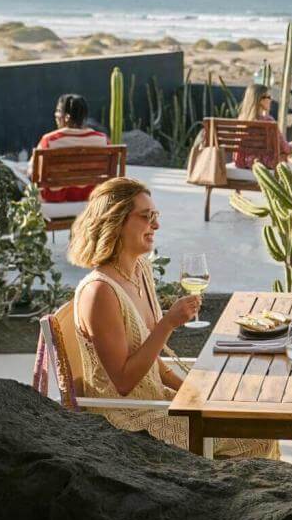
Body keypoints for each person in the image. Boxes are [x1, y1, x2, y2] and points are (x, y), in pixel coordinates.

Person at [67, 176, 278, 460]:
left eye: (156, 215)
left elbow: (156, 366)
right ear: (116, 222)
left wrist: (199, 394)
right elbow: (124, 382)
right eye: (146, 216)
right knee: (257, 435)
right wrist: (168, 324)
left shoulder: (140, 271)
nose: (156, 225)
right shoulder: (100, 292)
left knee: (254, 416)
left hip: (158, 402)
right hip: (129, 421)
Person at [33, 93, 109, 203]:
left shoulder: (50, 140)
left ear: (67, 117)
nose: (55, 115)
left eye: (58, 111)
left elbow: (36, 173)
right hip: (92, 195)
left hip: (55, 197)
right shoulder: (102, 140)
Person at [234, 84, 292, 170]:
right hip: (265, 165)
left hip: (243, 163)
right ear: (260, 100)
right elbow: (284, 148)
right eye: (268, 97)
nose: (271, 99)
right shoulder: (269, 122)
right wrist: (291, 146)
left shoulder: (241, 120)